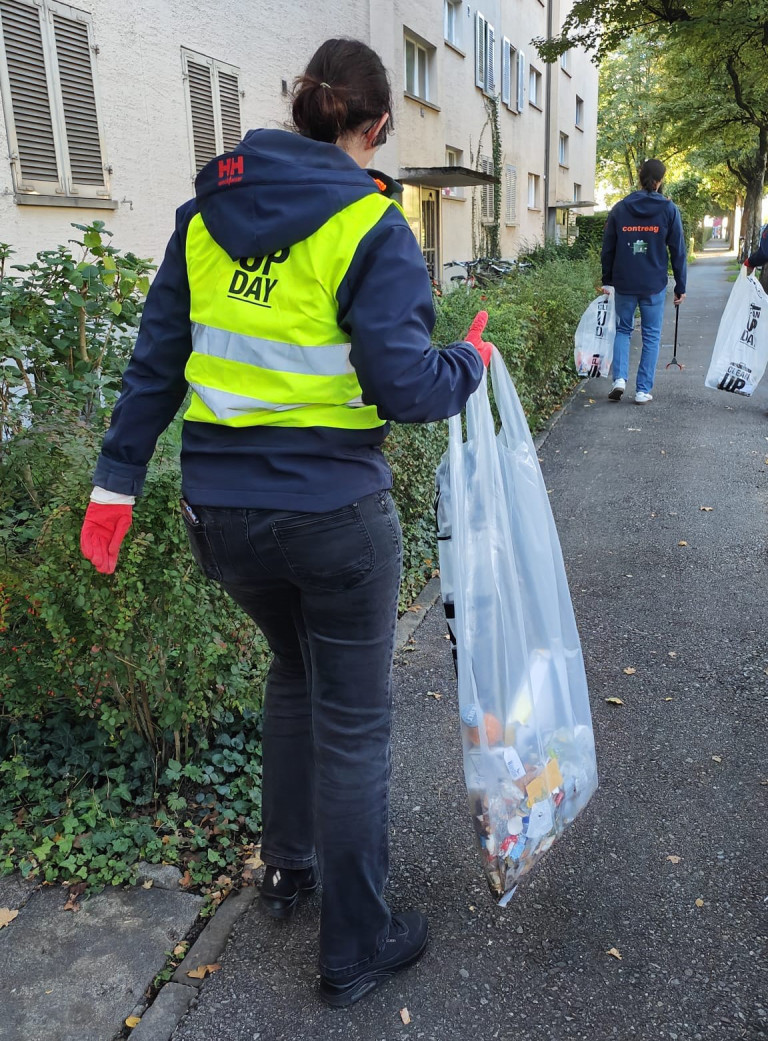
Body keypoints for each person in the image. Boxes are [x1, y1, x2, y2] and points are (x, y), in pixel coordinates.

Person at [79, 38, 492, 1007]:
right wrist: (468, 364)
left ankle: (289, 868)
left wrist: (114, 487)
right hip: (334, 519)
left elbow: (155, 367)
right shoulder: (371, 227)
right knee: (354, 719)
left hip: (221, 520)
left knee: (292, 674)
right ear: (374, 125)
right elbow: (405, 388)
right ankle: (356, 945)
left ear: (298, 104)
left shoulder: (200, 219)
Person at [600, 158, 687, 404]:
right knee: (651, 335)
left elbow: (608, 248)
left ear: (641, 177)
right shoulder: (669, 210)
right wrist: (681, 286)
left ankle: (619, 379)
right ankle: (642, 390)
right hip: (653, 284)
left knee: (623, 330)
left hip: (624, 281)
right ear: (660, 181)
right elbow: (678, 251)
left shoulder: (620, 208)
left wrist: (608, 280)